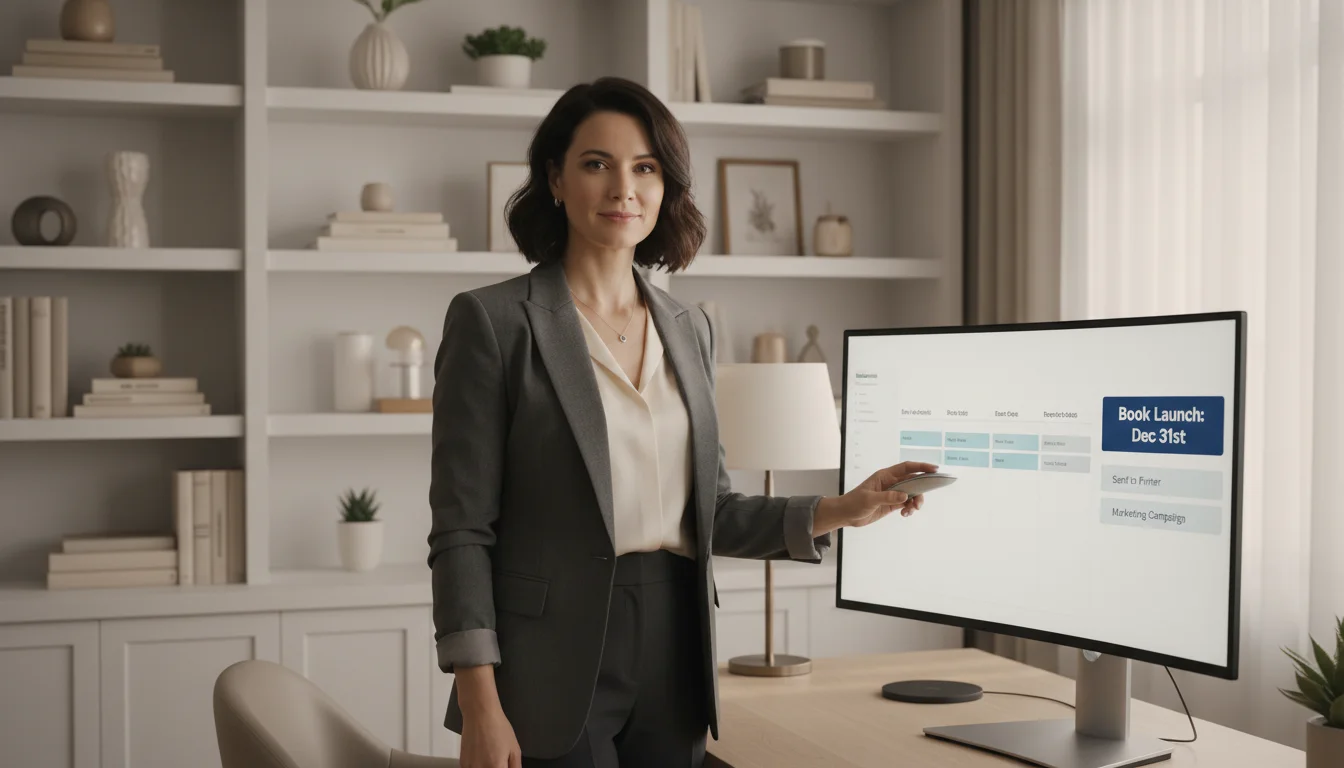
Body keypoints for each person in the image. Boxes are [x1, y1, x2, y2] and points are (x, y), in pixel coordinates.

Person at [427, 76, 935, 768]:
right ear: (555, 178)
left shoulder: (688, 327)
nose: (622, 189)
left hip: (677, 646)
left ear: (666, 187)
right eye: (596, 164)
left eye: (645, 168)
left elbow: (713, 510)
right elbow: (461, 531)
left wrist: (845, 508)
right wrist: (481, 704)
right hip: (549, 662)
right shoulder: (493, 323)